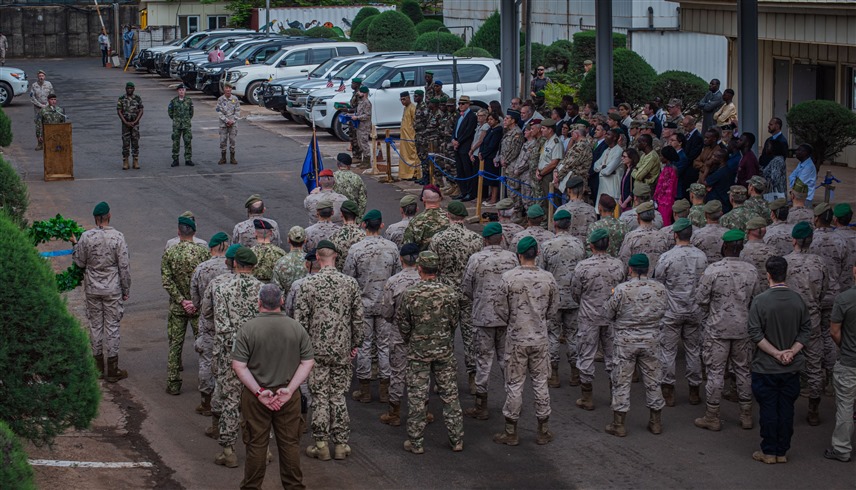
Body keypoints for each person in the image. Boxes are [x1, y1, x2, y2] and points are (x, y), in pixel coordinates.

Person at [232, 283, 314, 489]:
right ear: (282, 301)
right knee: (290, 446)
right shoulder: (296, 328)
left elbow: (239, 365)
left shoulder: (247, 329)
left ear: (259, 303)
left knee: (256, 446)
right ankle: (294, 487)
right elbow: (307, 362)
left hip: (256, 396)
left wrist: (259, 392)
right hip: (288, 395)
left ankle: (251, 487)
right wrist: (290, 390)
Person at [294, 240, 364, 461]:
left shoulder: (307, 285)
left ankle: (321, 443)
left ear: (317, 258)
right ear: (336, 257)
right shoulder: (350, 283)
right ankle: (341, 443)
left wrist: (301, 351)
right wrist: (355, 344)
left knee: (320, 395)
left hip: (316, 350)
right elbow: (358, 318)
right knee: (338, 395)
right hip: (342, 348)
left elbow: (300, 321)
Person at [492, 237, 559, 445]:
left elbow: (500, 308)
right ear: (536, 253)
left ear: (519, 255)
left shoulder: (509, 278)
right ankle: (543, 429)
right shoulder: (548, 278)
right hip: (539, 337)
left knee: (514, 384)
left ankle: (511, 431)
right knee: (540, 383)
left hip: (516, 337)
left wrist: (513, 320)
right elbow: (554, 308)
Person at [397, 251, 464, 454]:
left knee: (417, 397)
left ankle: (416, 442)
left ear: (420, 270)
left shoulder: (410, 293)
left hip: (418, 351)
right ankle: (457, 439)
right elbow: (454, 321)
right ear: (438, 269)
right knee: (450, 395)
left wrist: (412, 339)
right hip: (444, 350)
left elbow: (403, 323)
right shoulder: (450, 293)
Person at [694, 229, 761, 432]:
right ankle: (746, 415)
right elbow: (756, 299)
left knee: (715, 372)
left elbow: (701, 299)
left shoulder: (713, 270)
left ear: (724, 247)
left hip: (717, 329)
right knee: (743, 371)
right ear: (740, 248)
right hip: (743, 329)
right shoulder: (751, 271)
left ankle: (712, 416)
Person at [749, 256, 811, 464]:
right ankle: (782, 451)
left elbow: (755, 333)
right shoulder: (797, 300)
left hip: (766, 367)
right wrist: (791, 352)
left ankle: (768, 451)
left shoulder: (760, 301)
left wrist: (775, 353)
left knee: (768, 409)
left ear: (768, 275)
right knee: (786, 409)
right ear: (787, 273)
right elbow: (806, 330)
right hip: (791, 367)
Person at [604, 253, 669, 437]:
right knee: (653, 380)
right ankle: (655, 422)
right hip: (651, 340)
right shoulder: (660, 289)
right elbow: (664, 310)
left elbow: (608, 313)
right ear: (648, 269)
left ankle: (619, 424)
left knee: (622, 380)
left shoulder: (622, 289)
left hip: (626, 341)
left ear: (630, 269)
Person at [211, 247, 263, 468]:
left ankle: (228, 450)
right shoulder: (264, 289)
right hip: (259, 355)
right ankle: (264, 449)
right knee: (259, 402)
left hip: (231, 354)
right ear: (253, 266)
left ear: (235, 264)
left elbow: (222, 328)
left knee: (230, 402)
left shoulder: (222, 289)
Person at [462, 223, 519, 419]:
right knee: (507, 361)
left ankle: (481, 405)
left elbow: (467, 287)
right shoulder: (512, 258)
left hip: (483, 317)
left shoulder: (476, 259)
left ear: (484, 239)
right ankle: (513, 401)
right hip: (506, 318)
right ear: (501, 238)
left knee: (483, 361)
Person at [344, 210, 401, 404]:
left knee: (364, 345)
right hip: (386, 305)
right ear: (381, 225)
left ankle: (365, 389)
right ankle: (385, 389)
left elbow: (349, 277)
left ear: (364, 225)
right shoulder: (392, 248)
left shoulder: (356, 249)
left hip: (364, 304)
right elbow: (397, 276)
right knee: (385, 346)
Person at [71, 201, 131, 382]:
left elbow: (79, 263)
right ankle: (112, 369)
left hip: (92, 288)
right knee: (112, 326)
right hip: (112, 289)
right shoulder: (118, 237)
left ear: (95, 218)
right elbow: (124, 266)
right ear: (109, 216)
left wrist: (75, 245)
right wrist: (126, 289)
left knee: (95, 325)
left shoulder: (86, 237)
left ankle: (97, 367)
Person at [430, 201, 483, 393]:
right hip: (469, 292)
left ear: (448, 215)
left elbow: (433, 267)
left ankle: (444, 379)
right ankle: (473, 378)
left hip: (446, 292)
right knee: (470, 336)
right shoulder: (476, 239)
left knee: (444, 336)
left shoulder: (438, 239)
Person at [654, 218, 707, 406]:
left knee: (668, 351)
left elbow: (659, 282)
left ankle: (668, 391)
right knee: (693, 350)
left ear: (675, 235)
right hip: (694, 310)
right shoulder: (701, 256)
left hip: (671, 311)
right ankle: (694, 390)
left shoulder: (667, 257)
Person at [571, 229, 626, 410]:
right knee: (613, 357)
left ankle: (587, 397)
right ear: (608, 244)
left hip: (589, 316)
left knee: (586, 355)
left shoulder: (583, 267)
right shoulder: (618, 265)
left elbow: (575, 292)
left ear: (591, 246)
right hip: (612, 317)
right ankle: (615, 395)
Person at [785, 222, 830, 426]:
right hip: (811, 319)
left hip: (789, 319)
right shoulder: (819, 263)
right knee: (814, 364)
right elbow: (824, 291)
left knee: (785, 358)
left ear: (793, 240)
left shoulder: (785, 262)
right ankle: (813, 408)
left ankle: (785, 403)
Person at [161, 215, 211, 395]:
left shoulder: (171, 252)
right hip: (199, 308)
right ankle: (205, 384)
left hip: (178, 307)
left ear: (178, 232)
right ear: (194, 232)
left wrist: (182, 300)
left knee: (175, 344)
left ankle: (173, 383)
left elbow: (166, 281)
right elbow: (206, 280)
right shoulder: (203, 253)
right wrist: (195, 302)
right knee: (204, 345)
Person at [540, 210, 586, 388]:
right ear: (570, 224)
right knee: (573, 336)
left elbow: (542, 272)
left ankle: (554, 374)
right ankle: (575, 373)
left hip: (554, 299)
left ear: (556, 224)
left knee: (552, 335)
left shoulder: (548, 245)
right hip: (574, 298)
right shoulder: (578, 244)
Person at [379, 243, 423, 427]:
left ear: (401, 259)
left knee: (397, 372)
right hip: (422, 334)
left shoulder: (394, 282)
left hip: (399, 333)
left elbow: (387, 311)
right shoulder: (426, 280)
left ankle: (394, 411)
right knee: (422, 372)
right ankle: (423, 410)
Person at [189, 232, 230, 416]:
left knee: (206, 361)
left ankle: (206, 401)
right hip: (229, 322)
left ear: (211, 248)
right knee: (228, 361)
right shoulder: (232, 269)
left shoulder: (201, 269)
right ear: (227, 247)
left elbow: (195, 299)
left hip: (208, 321)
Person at [826, 263, 856, 463]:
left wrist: (845, 345)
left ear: (854, 271)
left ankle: (842, 448)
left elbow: (834, 331)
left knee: (846, 404)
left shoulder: (844, 299)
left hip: (849, 359)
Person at [618, 201, 670, 271]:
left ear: (638, 217)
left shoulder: (631, 237)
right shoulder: (663, 236)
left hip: (636, 278)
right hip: (656, 279)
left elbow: (624, 260)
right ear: (654, 216)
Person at [403, 185, 450, 251]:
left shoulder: (416, 221)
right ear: (440, 198)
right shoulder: (450, 219)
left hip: (424, 259)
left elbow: (407, 248)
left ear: (423, 199)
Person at [740, 217, 777, 294]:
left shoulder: (742, 251)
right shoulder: (774, 251)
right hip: (770, 293)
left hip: (750, 294)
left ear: (748, 231)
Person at [556, 176, 598, 243]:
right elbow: (593, 234)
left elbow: (555, 232)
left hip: (565, 248)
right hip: (584, 250)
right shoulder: (591, 210)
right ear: (583, 189)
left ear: (568, 190)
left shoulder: (561, 210)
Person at [272, 226, 309, 295]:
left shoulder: (280, 262)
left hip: (287, 303)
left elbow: (276, 289)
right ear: (305, 240)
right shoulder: (311, 261)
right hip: (306, 302)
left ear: (288, 240)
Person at [115, 81, 144, 169]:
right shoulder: (122, 98)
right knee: (125, 142)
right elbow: (119, 111)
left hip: (135, 124)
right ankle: (125, 161)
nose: (129, 90)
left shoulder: (137, 98)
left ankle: (135, 160)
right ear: (126, 89)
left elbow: (141, 110)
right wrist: (125, 122)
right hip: (125, 124)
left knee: (135, 141)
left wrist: (135, 121)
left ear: (134, 89)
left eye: (131, 88)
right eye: (128, 88)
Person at [593, 128, 624, 205]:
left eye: (608, 135)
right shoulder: (606, 150)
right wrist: (602, 167)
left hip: (612, 186)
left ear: (615, 138)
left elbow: (607, 171)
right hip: (603, 186)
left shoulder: (619, 151)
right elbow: (595, 166)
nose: (606, 136)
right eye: (606, 134)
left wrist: (602, 168)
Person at [168, 84, 194, 167]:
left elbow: (191, 112)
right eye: (180, 90)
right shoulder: (173, 101)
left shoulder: (189, 100)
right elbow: (170, 112)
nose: (181, 91)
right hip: (177, 126)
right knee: (176, 143)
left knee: (188, 142)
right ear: (177, 91)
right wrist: (176, 120)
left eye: (183, 90)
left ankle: (188, 159)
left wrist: (186, 120)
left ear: (185, 91)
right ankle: (175, 160)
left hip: (186, 125)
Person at [398, 91, 421, 181]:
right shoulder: (405, 108)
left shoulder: (412, 108)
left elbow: (415, 123)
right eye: (401, 100)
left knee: (412, 156)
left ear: (408, 98)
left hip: (411, 137)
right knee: (405, 155)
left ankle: (414, 174)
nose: (403, 101)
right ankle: (406, 174)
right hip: (405, 137)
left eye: (404, 99)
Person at [653, 146, 679, 227]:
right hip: (663, 200)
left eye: (661, 156)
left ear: (666, 157)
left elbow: (667, 188)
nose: (660, 158)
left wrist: (658, 197)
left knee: (665, 221)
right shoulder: (667, 168)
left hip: (666, 201)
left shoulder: (671, 169)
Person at [216, 84, 241, 165]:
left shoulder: (235, 99)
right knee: (223, 141)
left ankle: (232, 158)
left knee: (232, 140)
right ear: (224, 89)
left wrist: (232, 120)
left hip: (233, 124)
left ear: (231, 89)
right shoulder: (220, 99)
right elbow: (218, 111)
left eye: (229, 88)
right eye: (226, 88)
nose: (228, 90)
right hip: (223, 124)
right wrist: (226, 120)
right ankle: (223, 158)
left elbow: (238, 111)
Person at [29, 70, 53, 150]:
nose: (41, 77)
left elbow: (52, 96)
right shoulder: (34, 85)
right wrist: (40, 105)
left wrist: (47, 105)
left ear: (45, 76)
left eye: (42, 76)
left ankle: (49, 143)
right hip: (38, 109)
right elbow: (32, 97)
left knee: (48, 125)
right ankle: (40, 144)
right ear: (37, 77)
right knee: (38, 126)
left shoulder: (48, 84)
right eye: (40, 76)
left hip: (47, 108)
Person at [351, 85, 373, 168]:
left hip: (364, 126)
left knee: (364, 143)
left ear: (364, 93)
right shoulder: (361, 102)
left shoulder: (367, 103)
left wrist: (357, 117)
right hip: (359, 126)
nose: (358, 93)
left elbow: (367, 115)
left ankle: (367, 162)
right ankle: (364, 161)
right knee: (360, 143)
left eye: (360, 92)